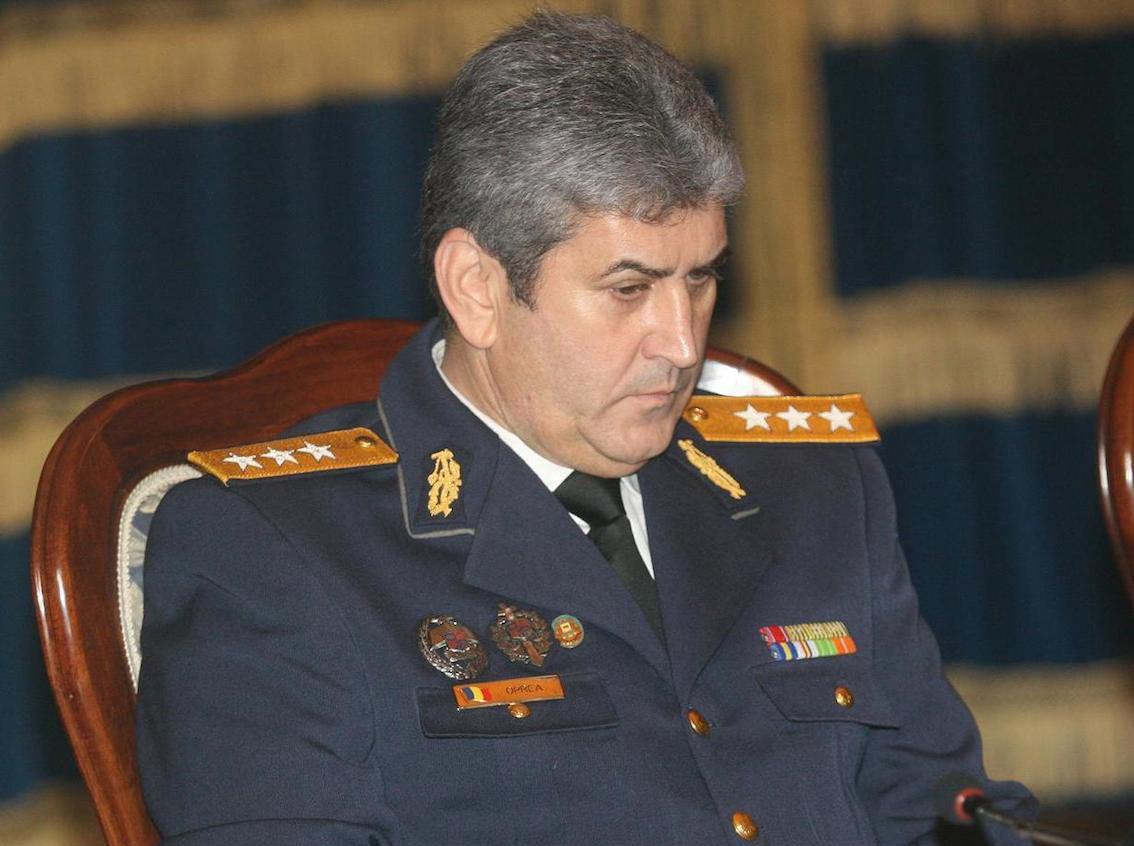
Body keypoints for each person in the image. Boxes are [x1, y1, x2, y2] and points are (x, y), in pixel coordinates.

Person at [136, 10, 1034, 845]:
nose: (682, 344)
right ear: (477, 289)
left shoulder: (812, 488)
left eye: (702, 278)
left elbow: (947, 811)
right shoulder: (273, 549)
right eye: (629, 289)